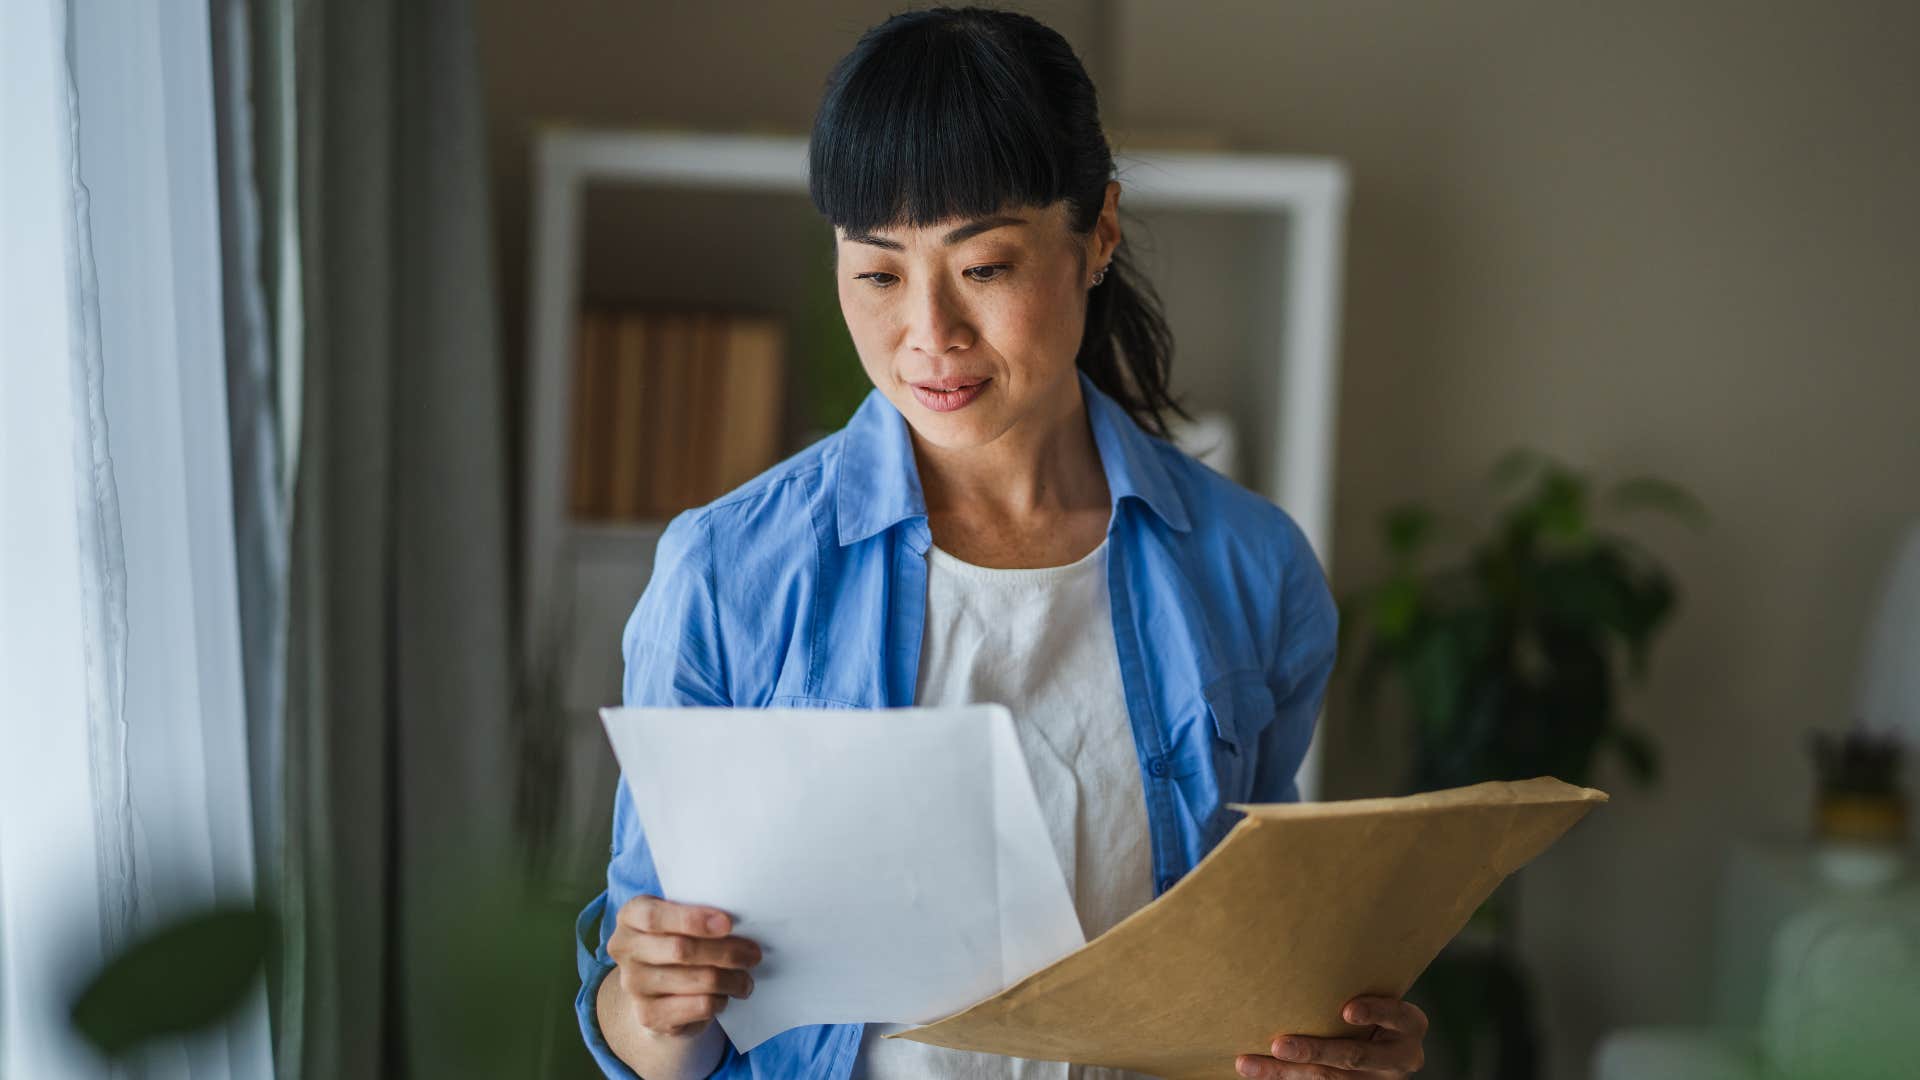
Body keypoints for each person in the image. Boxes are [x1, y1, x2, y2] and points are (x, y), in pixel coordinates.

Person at [573, 7, 1427, 1079]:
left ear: (1098, 233)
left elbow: (1257, 965)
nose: (929, 335)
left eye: (983, 268)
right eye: (878, 274)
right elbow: (651, 1029)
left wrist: (1332, 1034)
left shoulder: (1251, 571)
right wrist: (651, 1001)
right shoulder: (728, 574)